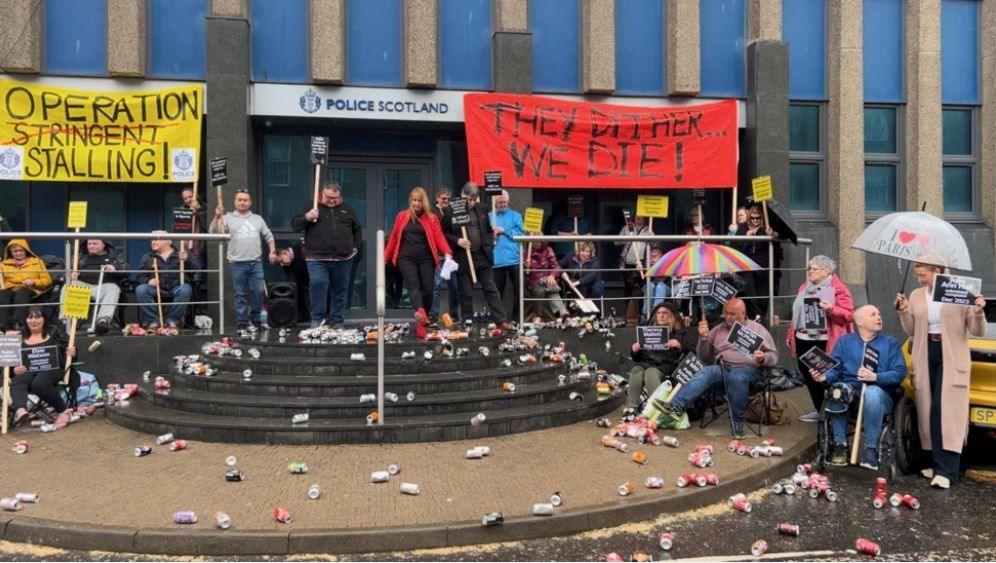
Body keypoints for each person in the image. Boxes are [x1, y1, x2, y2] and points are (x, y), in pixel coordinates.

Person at [896, 257, 987, 489]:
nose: (920, 279)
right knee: (927, 409)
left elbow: (977, 331)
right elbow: (911, 329)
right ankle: (935, 464)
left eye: (923, 275)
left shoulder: (959, 290)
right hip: (925, 352)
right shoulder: (917, 295)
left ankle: (947, 470)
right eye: (917, 275)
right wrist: (904, 310)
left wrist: (977, 312)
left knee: (944, 410)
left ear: (937, 271)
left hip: (951, 354)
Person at [659, 298, 778, 438]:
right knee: (706, 371)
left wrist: (763, 357)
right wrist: (703, 339)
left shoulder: (758, 329)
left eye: (732, 314)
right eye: (726, 313)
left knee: (737, 377)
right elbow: (703, 357)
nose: (728, 317)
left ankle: (737, 424)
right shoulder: (717, 330)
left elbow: (774, 357)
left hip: (750, 373)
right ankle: (675, 406)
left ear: (743, 313)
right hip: (723, 369)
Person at [809, 305, 907, 469]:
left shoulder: (890, 343)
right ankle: (840, 445)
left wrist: (876, 377)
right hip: (852, 391)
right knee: (837, 390)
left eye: (879, 314)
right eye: (873, 314)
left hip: (881, 394)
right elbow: (835, 370)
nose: (879, 317)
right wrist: (824, 377)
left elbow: (899, 373)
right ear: (859, 321)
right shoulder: (845, 342)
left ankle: (870, 449)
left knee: (872, 392)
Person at [788, 255, 855, 422]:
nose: (810, 271)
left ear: (827, 271)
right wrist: (791, 334)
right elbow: (796, 314)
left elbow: (849, 315)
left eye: (814, 268)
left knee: (824, 375)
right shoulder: (805, 286)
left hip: (824, 340)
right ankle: (820, 409)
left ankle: (834, 411)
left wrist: (831, 309)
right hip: (802, 337)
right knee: (807, 373)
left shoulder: (839, 289)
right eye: (809, 268)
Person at [291, 182, 363, 328]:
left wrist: (355, 248)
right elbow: (295, 226)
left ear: (339, 195)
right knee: (318, 283)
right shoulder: (312, 206)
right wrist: (307, 217)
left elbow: (357, 229)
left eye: (335, 198)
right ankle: (317, 319)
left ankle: (337, 321)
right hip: (317, 258)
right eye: (329, 197)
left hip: (343, 258)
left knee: (340, 290)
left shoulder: (347, 209)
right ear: (322, 193)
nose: (332, 200)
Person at [441, 182, 510, 328]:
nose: (470, 203)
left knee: (490, 288)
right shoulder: (450, 211)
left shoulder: (482, 208)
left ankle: (501, 320)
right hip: (464, 256)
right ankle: (468, 320)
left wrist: (490, 241)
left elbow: (489, 231)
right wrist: (457, 240)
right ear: (461, 195)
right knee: (466, 291)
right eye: (467, 199)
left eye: (473, 200)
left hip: (482, 255)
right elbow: (442, 234)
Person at [210, 188, 278, 333]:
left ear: (250, 202)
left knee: (258, 292)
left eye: (245, 200)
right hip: (237, 263)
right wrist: (216, 217)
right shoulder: (227, 218)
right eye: (239, 200)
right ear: (235, 202)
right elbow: (212, 233)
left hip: (255, 262)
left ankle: (256, 320)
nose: (242, 202)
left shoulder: (257, 219)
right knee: (240, 294)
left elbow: (268, 235)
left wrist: (272, 251)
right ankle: (242, 322)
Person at [385, 187, 453, 326]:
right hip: (406, 258)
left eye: (419, 201)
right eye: (414, 200)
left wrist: (447, 252)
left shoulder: (431, 218)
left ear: (425, 202)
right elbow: (393, 237)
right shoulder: (402, 216)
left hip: (426, 258)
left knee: (428, 289)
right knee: (413, 284)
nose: (416, 203)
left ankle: (424, 317)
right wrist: (385, 258)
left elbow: (439, 237)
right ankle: (421, 312)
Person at [8, 306, 75, 430]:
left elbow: (70, 352)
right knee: (18, 380)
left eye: (38, 317)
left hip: (54, 369)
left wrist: (71, 352)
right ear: (26, 320)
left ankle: (63, 411)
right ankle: (20, 410)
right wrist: (14, 370)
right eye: (30, 317)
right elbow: (7, 363)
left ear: (44, 319)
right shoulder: (19, 336)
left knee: (39, 383)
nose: (33, 321)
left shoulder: (55, 331)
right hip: (29, 371)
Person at [627, 302, 697, 409]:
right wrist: (635, 350)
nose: (661, 315)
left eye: (665, 313)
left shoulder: (681, 332)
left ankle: (656, 410)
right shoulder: (647, 331)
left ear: (672, 316)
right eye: (659, 313)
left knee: (651, 373)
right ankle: (631, 408)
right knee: (636, 370)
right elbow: (637, 358)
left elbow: (693, 353)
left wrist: (680, 346)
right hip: (646, 363)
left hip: (668, 365)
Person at [135, 232, 203, 330]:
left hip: (177, 288)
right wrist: (148, 281)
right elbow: (140, 276)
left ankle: (173, 320)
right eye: (152, 240)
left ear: (167, 241)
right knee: (141, 289)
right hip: (156, 289)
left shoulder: (181, 253)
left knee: (185, 289)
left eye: (156, 239)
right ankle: (154, 321)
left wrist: (187, 259)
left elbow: (198, 267)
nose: (153, 242)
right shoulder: (148, 257)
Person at [63, 239, 129, 335]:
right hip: (84, 287)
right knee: (69, 285)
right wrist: (71, 276)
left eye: (95, 243)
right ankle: (67, 321)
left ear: (103, 245)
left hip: (104, 287)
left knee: (113, 288)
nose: (91, 246)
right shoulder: (79, 256)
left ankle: (102, 321)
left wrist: (115, 268)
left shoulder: (114, 256)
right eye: (89, 244)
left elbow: (126, 270)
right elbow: (65, 272)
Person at [733, 204, 781, 321]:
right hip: (747, 264)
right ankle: (756, 315)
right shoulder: (743, 228)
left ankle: (761, 318)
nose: (755, 220)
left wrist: (772, 235)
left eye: (758, 218)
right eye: (753, 218)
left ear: (762, 217)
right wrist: (746, 236)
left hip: (763, 266)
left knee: (763, 296)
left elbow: (777, 243)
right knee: (748, 288)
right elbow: (736, 246)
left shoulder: (767, 227)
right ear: (749, 217)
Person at [0, 239, 52, 333]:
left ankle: (18, 324)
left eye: (21, 250)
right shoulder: (3, 264)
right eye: (15, 251)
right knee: (3, 294)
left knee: (22, 293)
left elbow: (47, 280)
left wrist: (33, 282)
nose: (18, 253)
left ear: (26, 250)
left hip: (30, 289)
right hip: (10, 289)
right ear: (11, 252)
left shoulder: (37, 262)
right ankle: (3, 326)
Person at [491, 190, 524, 322]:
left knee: (518, 292)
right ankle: (499, 321)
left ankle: (516, 320)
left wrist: (504, 230)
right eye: (499, 202)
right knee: (497, 293)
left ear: (508, 201)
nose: (502, 204)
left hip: (514, 259)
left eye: (504, 202)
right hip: (496, 260)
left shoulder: (516, 216)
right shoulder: (489, 216)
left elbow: (522, 234)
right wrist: (490, 236)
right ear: (495, 202)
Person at [430, 186, 460, 322]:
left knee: (453, 286)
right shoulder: (431, 213)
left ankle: (454, 314)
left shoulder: (451, 212)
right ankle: (434, 315)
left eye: (448, 198)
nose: (446, 201)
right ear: (437, 198)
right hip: (436, 254)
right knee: (435, 286)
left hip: (448, 255)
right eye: (443, 198)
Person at [617, 215, 652, 323]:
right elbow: (616, 242)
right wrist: (624, 240)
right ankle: (628, 315)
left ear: (645, 218)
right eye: (636, 215)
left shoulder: (648, 229)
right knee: (629, 289)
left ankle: (642, 315)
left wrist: (653, 236)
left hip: (642, 263)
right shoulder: (627, 227)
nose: (638, 217)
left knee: (643, 289)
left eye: (641, 216)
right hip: (628, 262)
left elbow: (655, 245)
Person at [525, 237, 568, 319]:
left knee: (551, 286)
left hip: (547, 278)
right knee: (540, 291)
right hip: (534, 280)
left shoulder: (548, 250)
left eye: (540, 242)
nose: (538, 244)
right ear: (531, 242)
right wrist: (525, 265)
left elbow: (556, 267)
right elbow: (524, 271)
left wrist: (552, 275)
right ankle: (537, 316)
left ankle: (562, 312)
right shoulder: (526, 252)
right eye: (535, 242)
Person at [278, 242, 310, 322]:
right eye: (279, 263)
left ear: (284, 253)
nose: (282, 264)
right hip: (303, 280)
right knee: (294, 287)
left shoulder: (299, 248)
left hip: (312, 272)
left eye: (281, 260)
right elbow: (291, 280)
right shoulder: (287, 266)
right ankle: (302, 315)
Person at [643, 245, 670, 319]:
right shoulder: (643, 263)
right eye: (652, 250)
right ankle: (646, 315)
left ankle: (656, 313)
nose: (654, 252)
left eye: (657, 250)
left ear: (661, 254)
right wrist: (641, 269)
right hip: (649, 287)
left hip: (665, 287)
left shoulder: (667, 262)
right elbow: (639, 279)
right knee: (650, 286)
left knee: (660, 286)